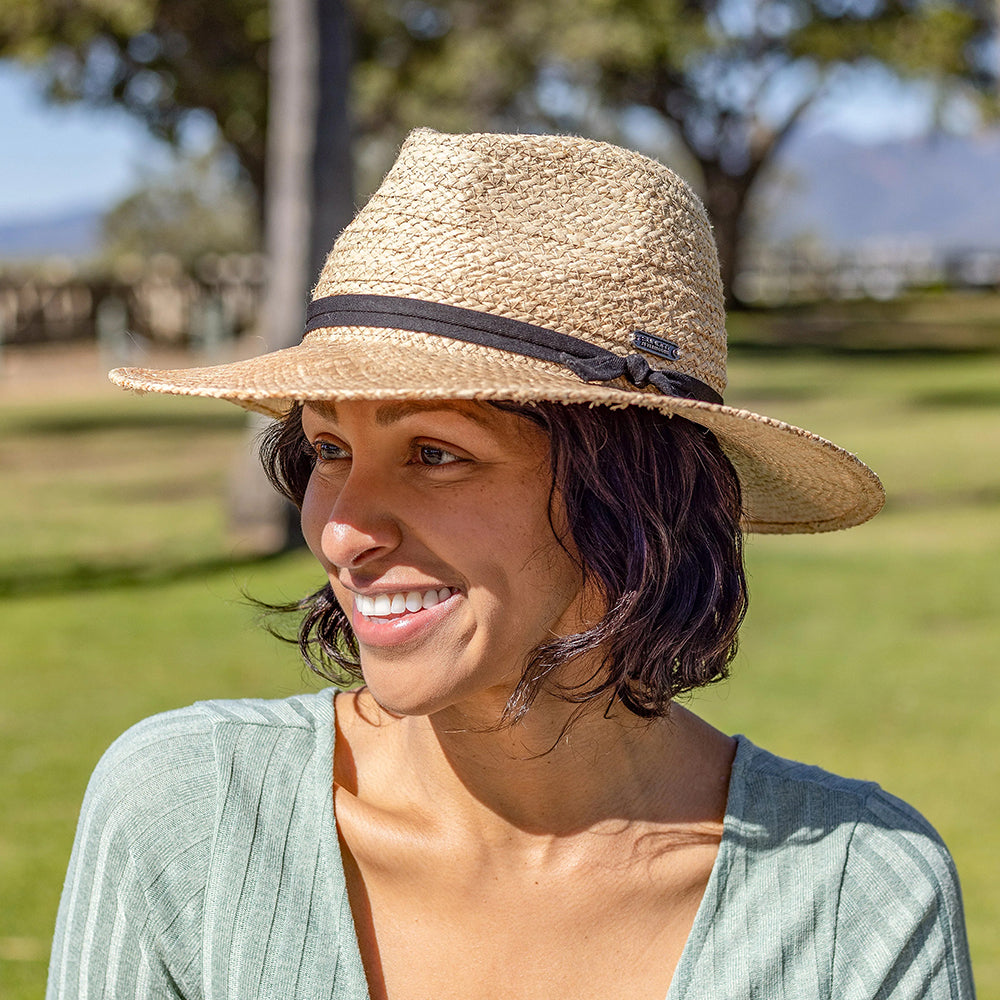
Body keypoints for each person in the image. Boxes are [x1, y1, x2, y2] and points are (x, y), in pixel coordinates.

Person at [48, 129, 974, 999]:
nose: (342, 533)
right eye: (329, 449)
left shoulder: (861, 900)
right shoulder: (189, 819)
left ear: (633, 498)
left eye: (436, 454)